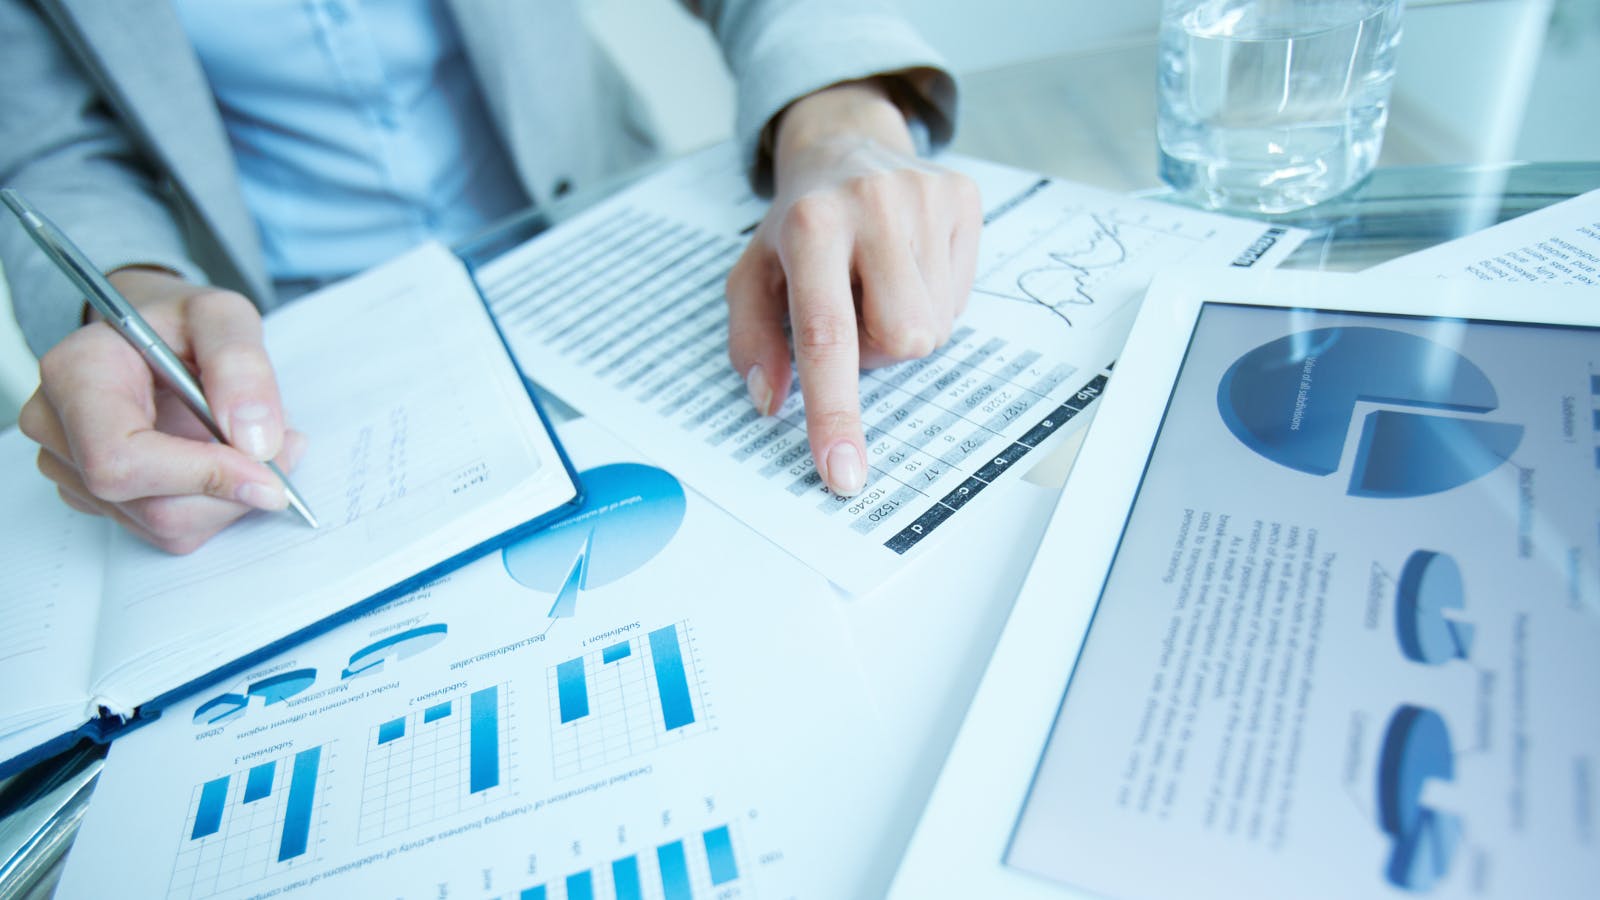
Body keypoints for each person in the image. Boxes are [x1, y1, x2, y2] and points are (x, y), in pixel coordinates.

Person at [0, 0, 981, 553]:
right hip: (299, 340)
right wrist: (134, 295)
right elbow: (58, 147)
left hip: (596, 248)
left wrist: (839, 121)